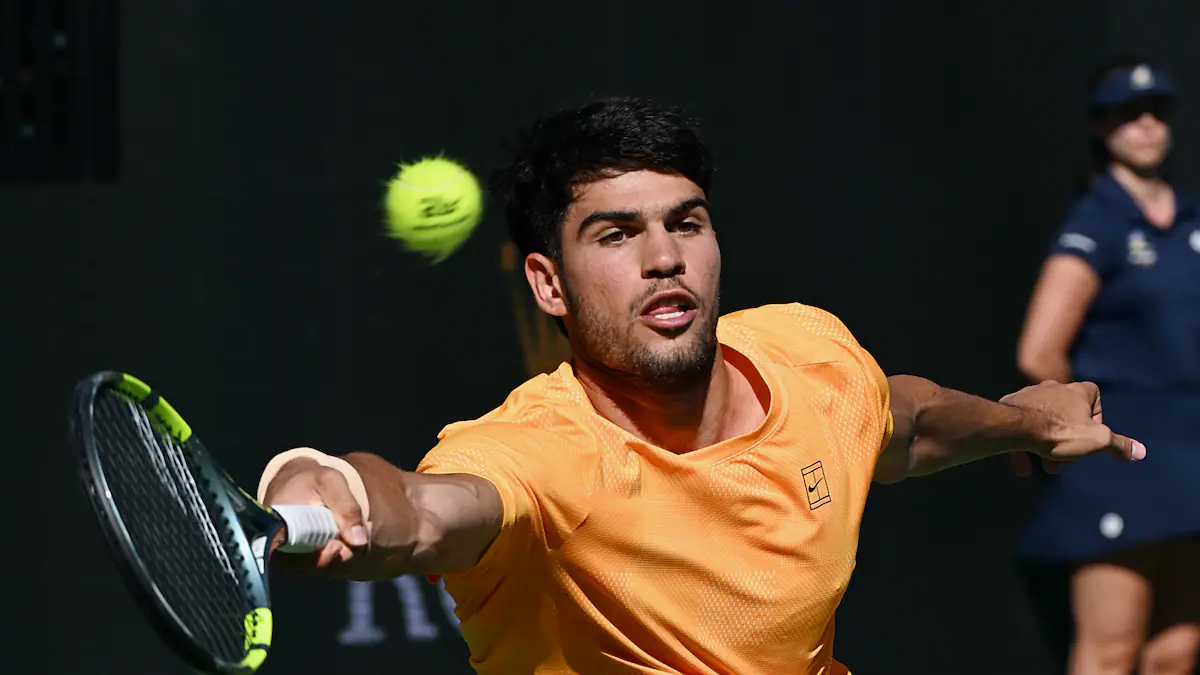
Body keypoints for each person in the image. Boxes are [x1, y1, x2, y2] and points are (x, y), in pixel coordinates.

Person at [259, 97, 1143, 674]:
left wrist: (1024, 418)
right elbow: (420, 510)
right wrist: (333, 484)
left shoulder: (810, 353)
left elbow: (902, 421)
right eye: (614, 236)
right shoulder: (534, 457)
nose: (663, 258)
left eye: (686, 222)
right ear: (548, 284)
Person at [1016, 58, 1200, 675]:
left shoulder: (1192, 221)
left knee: (1178, 653)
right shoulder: (1095, 223)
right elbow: (1040, 350)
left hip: (1190, 456)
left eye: (1156, 113)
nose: (1145, 126)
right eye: (1128, 114)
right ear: (1102, 128)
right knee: (1111, 650)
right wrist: (1089, 431)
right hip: (1123, 462)